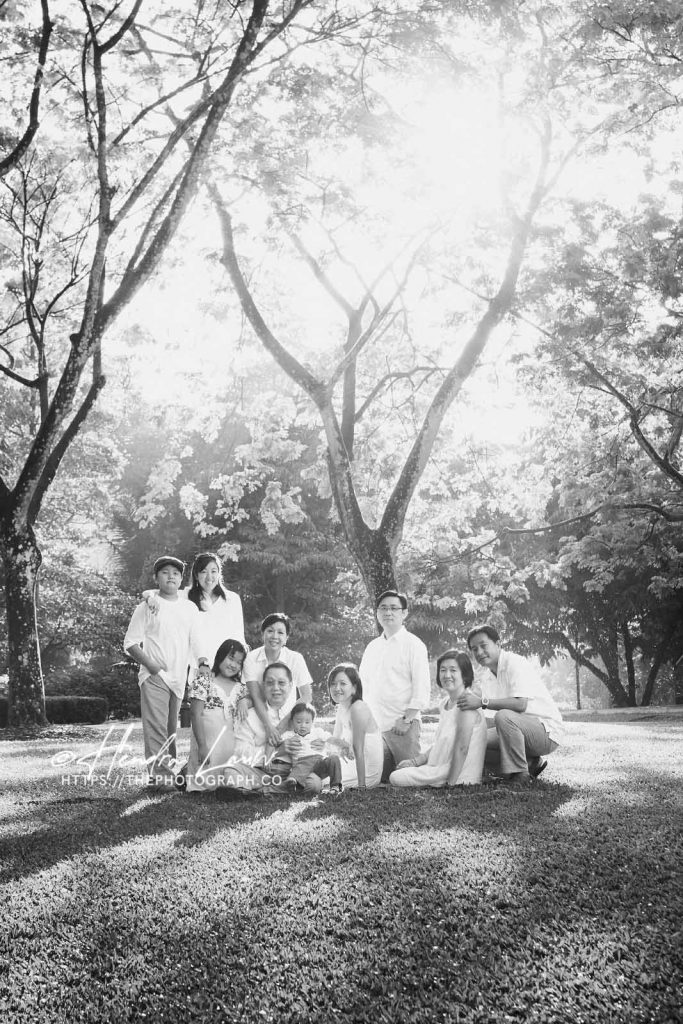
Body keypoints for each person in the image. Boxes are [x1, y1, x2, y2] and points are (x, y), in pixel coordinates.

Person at [124, 555, 210, 784]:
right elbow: (130, 642)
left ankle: (166, 775)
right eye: (165, 572)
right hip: (155, 675)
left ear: (182, 579)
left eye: (176, 573)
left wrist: (203, 662)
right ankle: (161, 778)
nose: (171, 576)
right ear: (156, 578)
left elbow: (196, 639)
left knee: (170, 731)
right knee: (156, 729)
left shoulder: (189, 608)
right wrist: (150, 665)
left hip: (179, 676)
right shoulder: (147, 605)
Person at [459, 624, 563, 785]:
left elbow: (520, 704)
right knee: (473, 741)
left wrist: (480, 702)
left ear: (498, 644)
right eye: (474, 649)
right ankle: (529, 763)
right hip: (515, 730)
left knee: (504, 715)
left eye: (483, 645)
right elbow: (491, 720)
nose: (479, 652)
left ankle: (520, 775)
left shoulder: (515, 662)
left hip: (546, 732)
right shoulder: (486, 676)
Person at [358, 590, 431, 783]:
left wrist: (407, 720)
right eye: (383, 608)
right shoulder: (372, 647)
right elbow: (362, 685)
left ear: (404, 613)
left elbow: (422, 688)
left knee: (406, 776)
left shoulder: (414, 645)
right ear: (377, 613)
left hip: (402, 726)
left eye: (393, 608)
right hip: (374, 728)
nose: (388, 612)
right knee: (374, 779)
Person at [389, 650, 487, 788]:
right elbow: (441, 743)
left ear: (465, 675)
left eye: (453, 670)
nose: (447, 675)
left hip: (459, 775)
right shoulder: (445, 703)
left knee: (395, 777)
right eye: (443, 670)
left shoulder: (466, 703)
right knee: (401, 771)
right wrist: (415, 762)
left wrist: (450, 784)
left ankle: (437, 781)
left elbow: (462, 748)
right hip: (438, 769)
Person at [215, 661, 297, 797]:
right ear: (263, 686)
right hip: (261, 773)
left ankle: (260, 790)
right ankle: (249, 790)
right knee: (231, 770)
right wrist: (275, 752)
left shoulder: (299, 715)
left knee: (310, 775)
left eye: (281, 683)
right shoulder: (250, 715)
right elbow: (241, 753)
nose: (276, 688)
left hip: (292, 774)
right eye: (270, 683)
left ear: (290, 685)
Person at [184, 638, 248, 792]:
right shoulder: (204, 681)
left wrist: (244, 701)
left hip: (230, 751)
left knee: (229, 779)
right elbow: (195, 713)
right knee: (205, 783)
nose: (233, 665)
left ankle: (229, 784)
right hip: (207, 748)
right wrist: (202, 746)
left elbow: (254, 700)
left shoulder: (241, 689)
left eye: (238, 662)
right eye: (231, 658)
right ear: (220, 655)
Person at [242, 613, 313, 743]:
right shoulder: (251, 658)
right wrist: (268, 726)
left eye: (280, 632)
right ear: (263, 634)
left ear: (286, 638)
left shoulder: (295, 658)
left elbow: (306, 696)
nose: (275, 636)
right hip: (260, 717)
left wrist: (284, 724)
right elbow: (256, 696)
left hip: (289, 718)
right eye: (270, 631)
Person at [327, 663, 383, 790]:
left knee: (321, 778)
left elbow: (358, 749)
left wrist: (361, 786)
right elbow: (335, 740)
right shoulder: (342, 706)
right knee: (317, 763)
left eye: (343, 683)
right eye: (333, 684)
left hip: (366, 773)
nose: (337, 688)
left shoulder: (358, 708)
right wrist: (341, 748)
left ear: (354, 688)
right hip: (351, 764)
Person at [273, 701, 343, 795]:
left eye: (307, 722)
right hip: (302, 764)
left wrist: (345, 745)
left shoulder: (317, 732)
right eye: (298, 722)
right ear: (292, 721)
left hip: (319, 763)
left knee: (334, 758)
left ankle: (336, 786)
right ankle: (293, 783)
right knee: (303, 764)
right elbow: (277, 742)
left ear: (312, 722)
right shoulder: (290, 735)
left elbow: (331, 739)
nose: (303, 725)